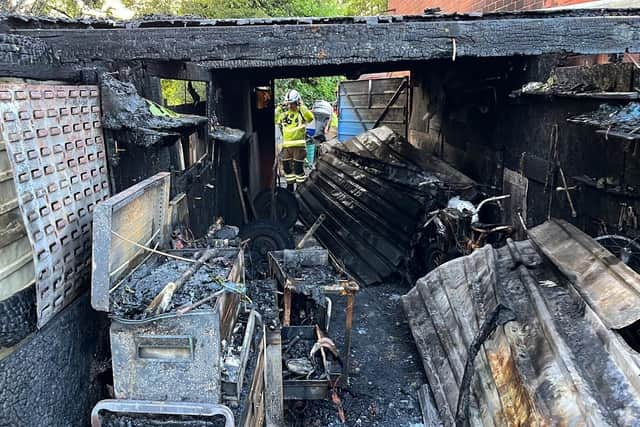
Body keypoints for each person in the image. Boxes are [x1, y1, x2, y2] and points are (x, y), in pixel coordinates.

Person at [275, 89, 314, 190]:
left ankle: (301, 189)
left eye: (292, 103)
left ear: (297, 102)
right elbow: (274, 118)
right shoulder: (284, 114)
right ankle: (290, 188)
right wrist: (280, 107)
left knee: (298, 169)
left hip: (299, 147)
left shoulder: (301, 112)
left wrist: (302, 106)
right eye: (288, 104)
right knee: (287, 169)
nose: (290, 106)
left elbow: (310, 118)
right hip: (286, 146)